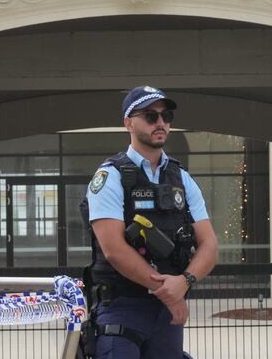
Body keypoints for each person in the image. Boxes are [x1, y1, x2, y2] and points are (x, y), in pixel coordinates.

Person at [81, 86, 218, 359]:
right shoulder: (110, 177)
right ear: (128, 123)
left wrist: (185, 281)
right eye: (150, 116)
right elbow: (114, 250)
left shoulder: (182, 179)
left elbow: (210, 245)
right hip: (122, 306)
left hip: (166, 315)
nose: (161, 123)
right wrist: (169, 293)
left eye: (166, 116)